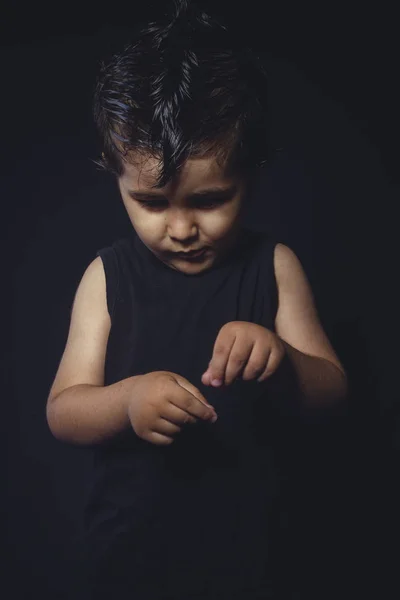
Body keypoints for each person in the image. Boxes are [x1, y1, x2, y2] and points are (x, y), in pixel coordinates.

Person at [46, 1, 348, 598]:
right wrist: (128, 400)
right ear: (116, 178)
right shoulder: (106, 277)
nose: (180, 229)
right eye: (152, 204)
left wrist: (283, 359)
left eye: (209, 200)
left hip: (258, 556)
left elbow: (335, 393)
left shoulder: (274, 266)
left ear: (251, 176)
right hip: (130, 556)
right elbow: (63, 410)